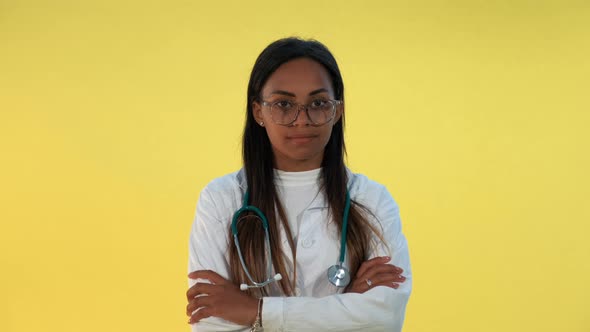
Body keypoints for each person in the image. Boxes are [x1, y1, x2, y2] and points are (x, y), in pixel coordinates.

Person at [185, 37, 412, 332]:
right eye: (283, 104)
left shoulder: (371, 200)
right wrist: (348, 308)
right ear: (258, 112)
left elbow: (385, 318)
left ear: (338, 110)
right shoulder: (220, 200)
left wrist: (254, 311)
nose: (302, 120)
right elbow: (212, 323)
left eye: (318, 103)